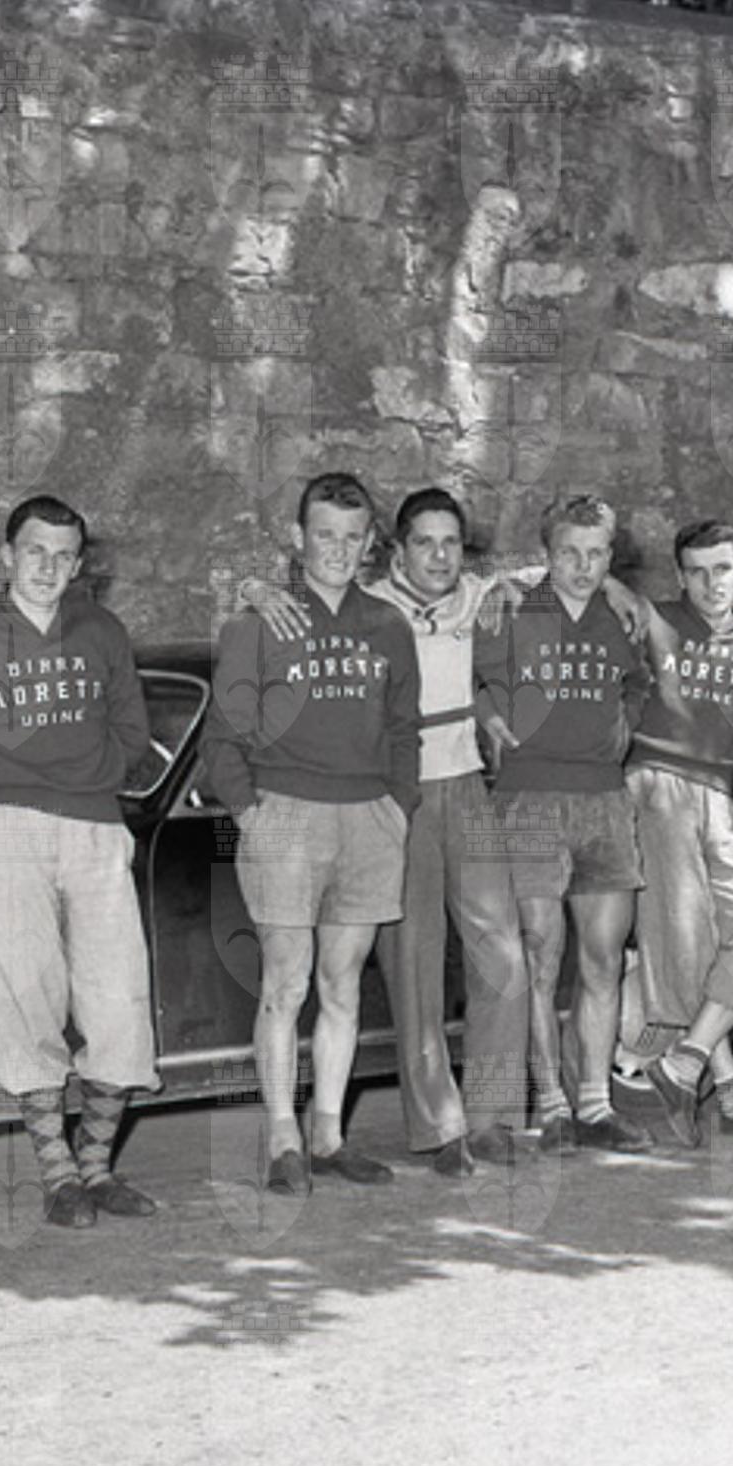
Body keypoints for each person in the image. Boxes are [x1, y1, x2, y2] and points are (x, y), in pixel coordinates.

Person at [241, 488, 533, 1173]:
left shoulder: (481, 597)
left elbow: (573, 572)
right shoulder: (369, 605)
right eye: (424, 542)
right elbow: (280, 593)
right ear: (396, 550)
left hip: (467, 785)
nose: (439, 556)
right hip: (399, 797)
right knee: (414, 964)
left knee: (503, 953)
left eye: (451, 542)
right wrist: (256, 589)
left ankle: (493, 1116)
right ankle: (441, 1127)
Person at [0, 494, 160, 1229]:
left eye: (64, 555)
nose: (49, 567)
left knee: (118, 998)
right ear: (7, 555)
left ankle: (98, 1168)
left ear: (80, 565)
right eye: (36, 551)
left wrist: (87, 780)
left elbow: (132, 732)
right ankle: (59, 1176)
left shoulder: (102, 631)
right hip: (4, 832)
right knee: (23, 995)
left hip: (94, 826)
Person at [201, 472, 423, 1194]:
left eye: (352, 537)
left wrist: (398, 806)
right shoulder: (258, 623)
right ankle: (282, 1139)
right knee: (285, 982)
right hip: (286, 815)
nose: (337, 549)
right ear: (298, 538)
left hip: (368, 817)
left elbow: (404, 728)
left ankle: (328, 1133)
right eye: (324, 534)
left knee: (342, 983)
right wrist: (252, 812)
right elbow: (222, 737)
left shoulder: (388, 625)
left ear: (370, 544)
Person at [473, 493, 652, 1153]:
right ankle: (551, 1103)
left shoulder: (623, 617)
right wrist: (485, 712)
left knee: (603, 960)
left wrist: (620, 736)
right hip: (530, 799)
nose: (583, 567)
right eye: (569, 553)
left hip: (604, 799)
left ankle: (596, 1105)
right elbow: (463, 674)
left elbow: (640, 686)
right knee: (540, 957)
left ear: (610, 557)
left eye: (596, 554)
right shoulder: (510, 608)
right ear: (546, 555)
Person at [625, 520, 733, 1145]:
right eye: (696, 572)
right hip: (658, 784)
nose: (710, 583)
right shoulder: (654, 618)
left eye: (722, 568)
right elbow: (585, 585)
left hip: (721, 794)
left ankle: (684, 1066)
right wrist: (511, 582)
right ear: (680, 576)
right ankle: (731, 1095)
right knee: (689, 944)